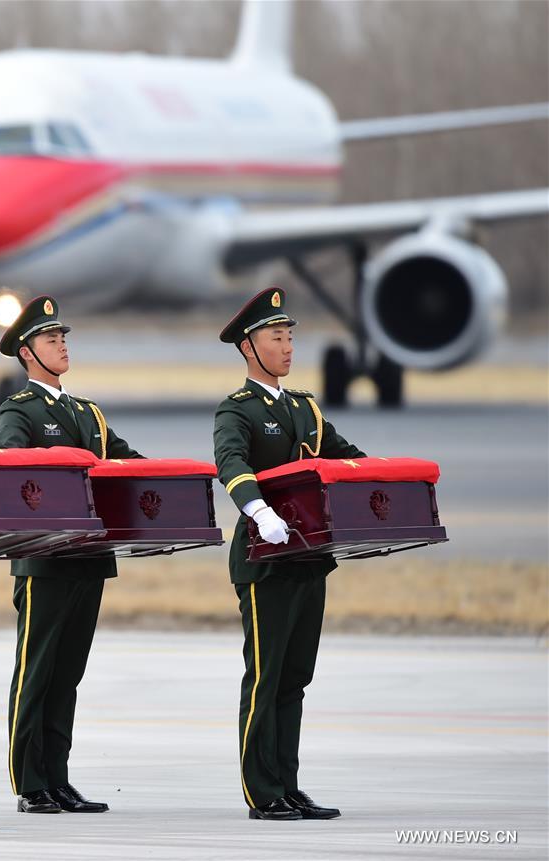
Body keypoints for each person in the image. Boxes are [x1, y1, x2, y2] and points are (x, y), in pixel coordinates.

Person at [213, 286, 366, 822]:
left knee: (296, 677)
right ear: (249, 348)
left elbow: (347, 456)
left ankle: (289, 784)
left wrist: (384, 479)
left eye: (289, 336)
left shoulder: (305, 407)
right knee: (266, 675)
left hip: (308, 557)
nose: (287, 346)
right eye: (276, 337)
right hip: (264, 556)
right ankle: (263, 791)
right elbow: (231, 465)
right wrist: (259, 512)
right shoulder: (237, 411)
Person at [0, 295, 142, 815]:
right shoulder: (19, 411)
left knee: (68, 675)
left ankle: (57, 777)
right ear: (27, 354)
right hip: (46, 560)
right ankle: (30, 782)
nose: (62, 346)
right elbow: (15, 465)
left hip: (89, 558)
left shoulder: (87, 412)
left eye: (64, 338)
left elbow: (124, 459)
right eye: (51, 339)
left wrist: (162, 479)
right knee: (38, 671)